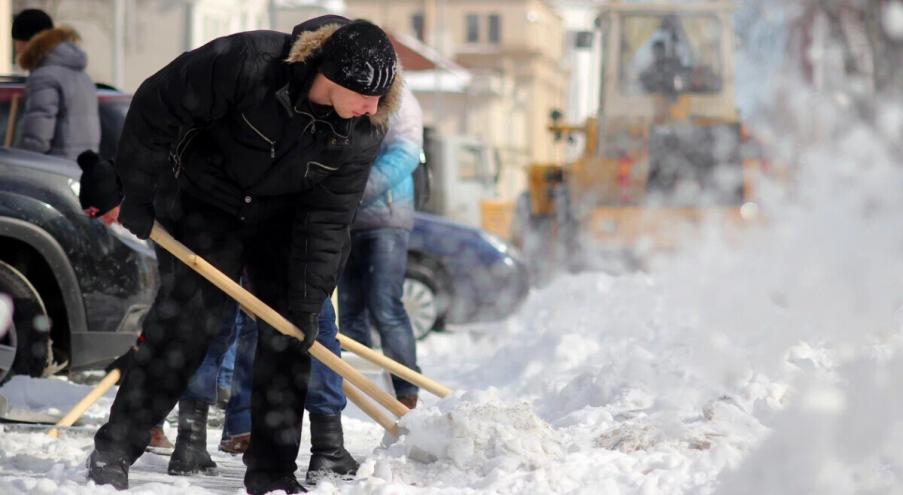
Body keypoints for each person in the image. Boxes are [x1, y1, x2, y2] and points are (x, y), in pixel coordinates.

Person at [85, 14, 400, 495]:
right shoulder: (248, 63)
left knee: (289, 336)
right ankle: (115, 449)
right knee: (184, 328)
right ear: (330, 76)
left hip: (282, 221)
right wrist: (139, 193)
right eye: (364, 95)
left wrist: (307, 299)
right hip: (203, 203)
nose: (372, 107)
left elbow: (329, 219)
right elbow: (158, 106)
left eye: (380, 97)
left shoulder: (362, 129)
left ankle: (273, 473)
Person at [338, 85, 423, 410]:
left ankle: (407, 390)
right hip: (346, 219)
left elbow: (406, 153)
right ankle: (360, 389)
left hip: (387, 217)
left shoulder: (400, 98)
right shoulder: (345, 92)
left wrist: (356, 190)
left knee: (386, 306)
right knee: (349, 310)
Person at [12, 8, 100, 160]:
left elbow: (36, 140)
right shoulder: (82, 76)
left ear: (26, 42)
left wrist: (16, 163)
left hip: (52, 173)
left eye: (17, 41)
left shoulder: (44, 78)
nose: (16, 48)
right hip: (80, 172)